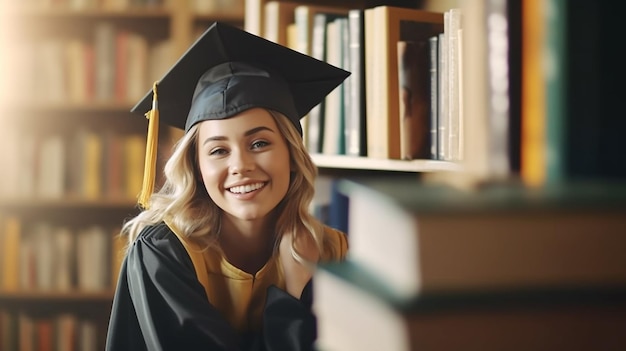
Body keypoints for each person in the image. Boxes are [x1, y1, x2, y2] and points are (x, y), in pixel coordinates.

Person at [105, 22, 350, 350]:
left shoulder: (334, 253)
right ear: (196, 166)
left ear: (292, 154)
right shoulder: (164, 254)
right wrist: (293, 296)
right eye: (218, 150)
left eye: (260, 143)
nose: (241, 166)